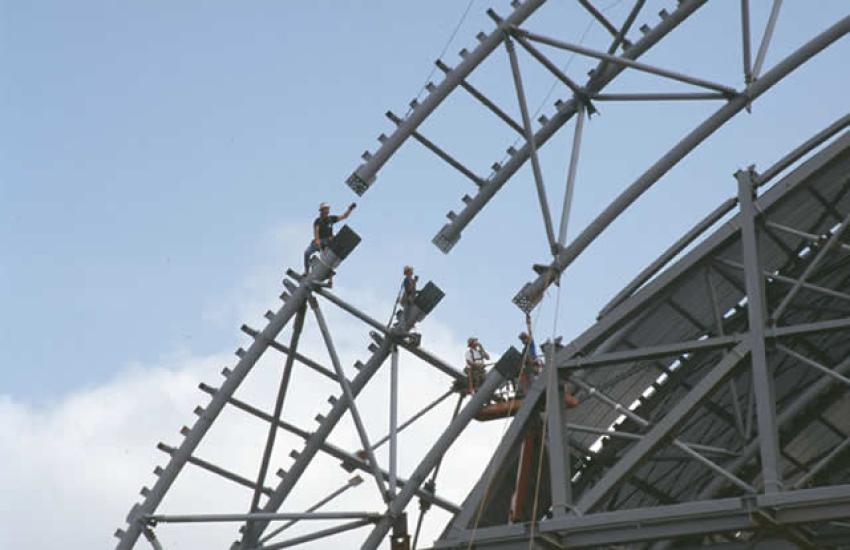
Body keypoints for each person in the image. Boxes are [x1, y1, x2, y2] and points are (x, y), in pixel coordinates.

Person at [303, 201, 355, 277]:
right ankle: (306, 272)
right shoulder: (318, 221)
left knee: (328, 259)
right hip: (319, 241)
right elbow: (316, 231)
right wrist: (317, 241)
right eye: (325, 210)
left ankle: (329, 278)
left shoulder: (331, 219)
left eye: (327, 209)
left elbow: (344, 216)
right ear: (321, 211)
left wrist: (350, 209)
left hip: (327, 242)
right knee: (307, 253)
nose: (327, 211)